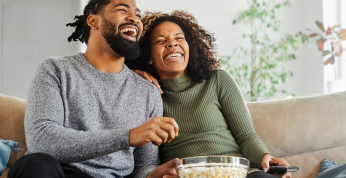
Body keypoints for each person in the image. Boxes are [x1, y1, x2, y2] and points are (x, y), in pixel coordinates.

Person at [7, 0, 180, 178]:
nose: (134, 18)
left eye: (138, 15)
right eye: (123, 10)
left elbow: (144, 165)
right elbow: (41, 141)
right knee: (36, 165)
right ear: (93, 21)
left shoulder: (148, 92)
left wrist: (151, 175)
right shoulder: (55, 70)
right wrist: (127, 137)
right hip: (59, 173)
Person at [126, 11, 292, 178]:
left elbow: (246, 136)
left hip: (237, 173)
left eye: (179, 38)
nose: (172, 44)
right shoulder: (147, 97)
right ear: (149, 57)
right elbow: (146, 164)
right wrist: (131, 76)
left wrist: (265, 157)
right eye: (160, 41)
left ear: (189, 47)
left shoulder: (218, 80)